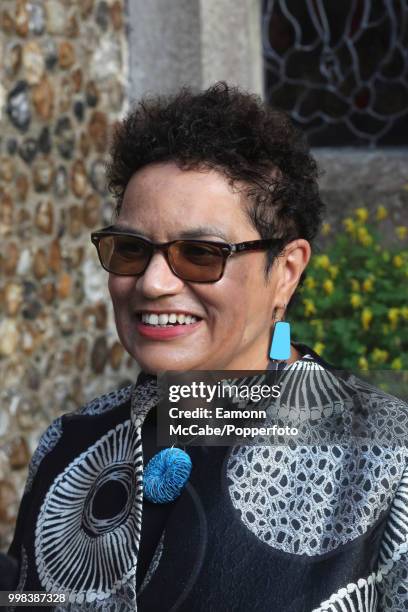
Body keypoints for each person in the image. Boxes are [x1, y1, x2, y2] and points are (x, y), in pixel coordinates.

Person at [5, 82, 408, 611]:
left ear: (286, 271)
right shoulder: (71, 445)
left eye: (199, 253)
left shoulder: (387, 463)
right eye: (131, 249)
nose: (152, 283)